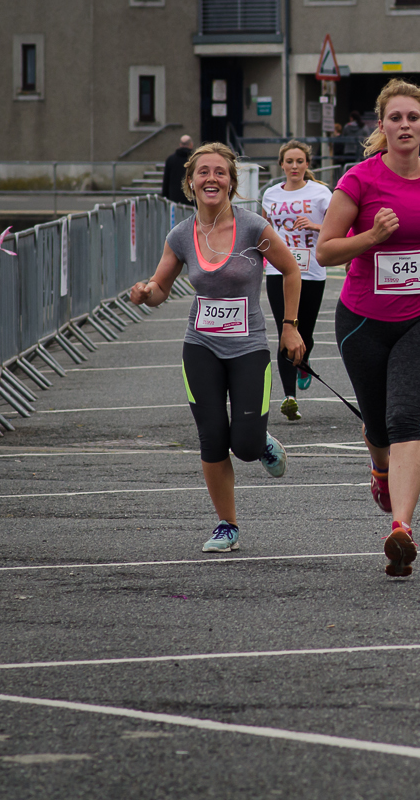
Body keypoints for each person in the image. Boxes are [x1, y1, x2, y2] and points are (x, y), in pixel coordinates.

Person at [316, 79, 420, 578]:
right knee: (378, 425)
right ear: (382, 125)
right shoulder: (359, 181)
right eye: (396, 118)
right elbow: (325, 250)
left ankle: (402, 530)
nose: (405, 125)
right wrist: (371, 236)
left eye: (414, 117)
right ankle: (380, 468)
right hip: (363, 320)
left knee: (405, 419)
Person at [129, 143, 306, 553]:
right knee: (211, 439)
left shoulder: (253, 228)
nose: (212, 178)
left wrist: (290, 327)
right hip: (201, 346)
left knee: (242, 445)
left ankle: (260, 442)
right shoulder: (180, 235)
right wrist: (144, 292)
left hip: (248, 348)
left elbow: (292, 269)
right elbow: (160, 289)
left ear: (231, 182)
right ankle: (227, 525)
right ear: (190, 182)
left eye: (220, 172)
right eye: (203, 172)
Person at [261, 140, 332, 423]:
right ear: (281, 165)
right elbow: (263, 229)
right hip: (278, 270)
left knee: (306, 332)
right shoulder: (270, 194)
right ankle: (290, 397)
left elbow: (339, 226)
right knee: (285, 332)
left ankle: (303, 363)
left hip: (311, 270)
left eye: (299, 161)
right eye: (289, 162)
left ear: (307, 164)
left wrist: (315, 226)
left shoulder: (321, 193)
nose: (294, 166)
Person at [162, 134, 194, 205]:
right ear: (191, 144)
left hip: (174, 199)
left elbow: (166, 181)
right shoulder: (194, 160)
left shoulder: (170, 159)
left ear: (180, 144)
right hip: (190, 199)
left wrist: (165, 197)